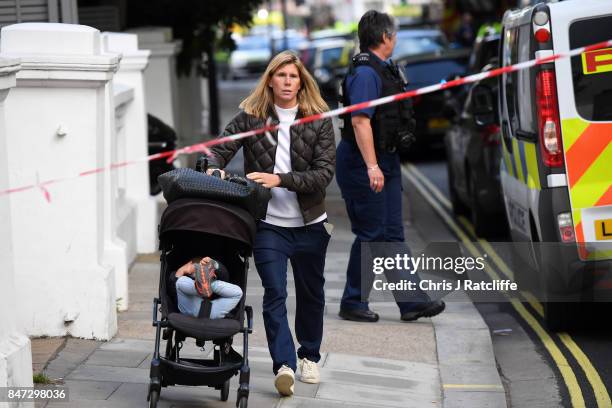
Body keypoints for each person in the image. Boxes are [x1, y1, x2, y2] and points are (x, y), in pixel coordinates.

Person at [205, 51, 336, 397]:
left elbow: (323, 175)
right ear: (271, 80)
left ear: (301, 81)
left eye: (293, 77)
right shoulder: (251, 117)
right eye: (281, 76)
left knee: (311, 295)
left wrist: (281, 180)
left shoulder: (319, 120)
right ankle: (284, 366)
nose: (288, 82)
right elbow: (218, 147)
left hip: (310, 225)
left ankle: (309, 355)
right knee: (275, 294)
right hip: (268, 226)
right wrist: (212, 166)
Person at [336, 10, 445, 323]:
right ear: (384, 37)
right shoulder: (366, 73)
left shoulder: (384, 70)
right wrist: (372, 166)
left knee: (392, 233)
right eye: (394, 34)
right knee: (372, 234)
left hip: (386, 158)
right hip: (363, 161)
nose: (395, 39)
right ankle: (353, 301)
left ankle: (411, 302)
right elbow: (360, 121)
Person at [175, 257, 243, 319]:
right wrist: (181, 270)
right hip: (194, 303)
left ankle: (207, 283)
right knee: (180, 282)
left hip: (212, 304)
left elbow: (223, 274)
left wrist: (213, 265)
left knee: (238, 292)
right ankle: (204, 284)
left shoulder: (218, 275)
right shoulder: (186, 278)